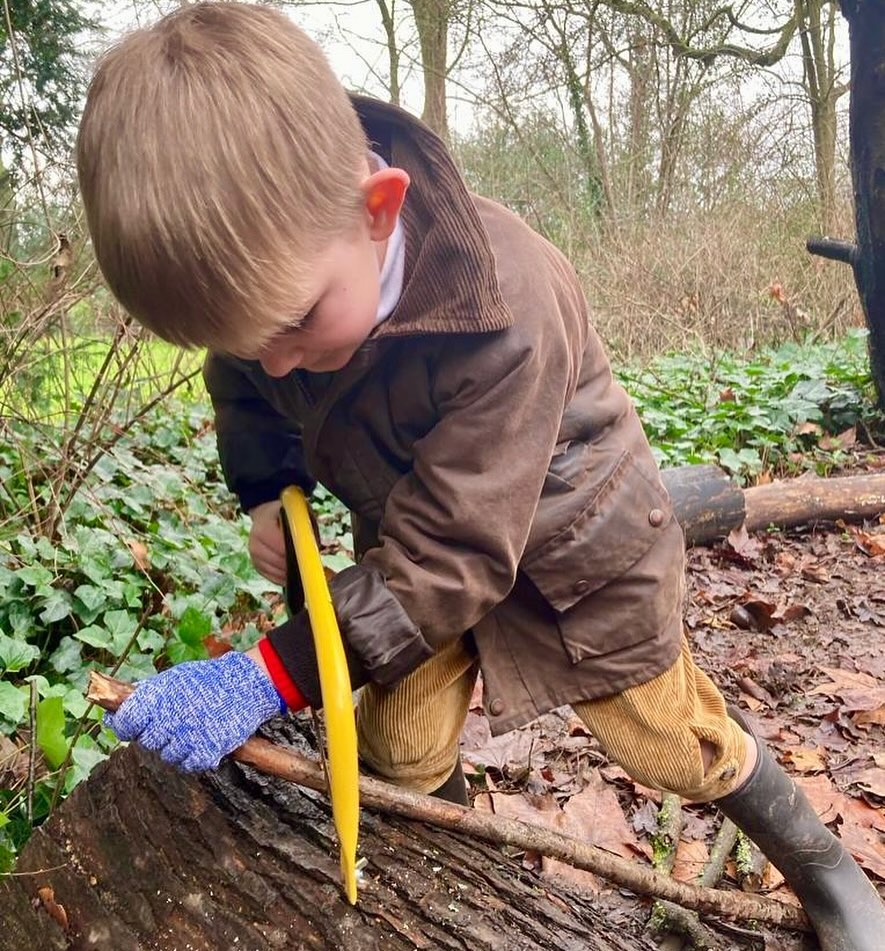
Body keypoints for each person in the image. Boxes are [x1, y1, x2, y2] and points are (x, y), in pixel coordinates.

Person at [76, 4, 883, 947]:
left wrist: (268, 673)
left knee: (670, 744)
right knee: (399, 747)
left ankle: (826, 870)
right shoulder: (279, 293)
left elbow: (459, 548)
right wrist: (264, 487)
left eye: (292, 328)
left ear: (377, 209)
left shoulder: (508, 305)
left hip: (575, 551)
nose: (277, 362)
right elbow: (248, 390)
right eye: (244, 343)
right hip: (415, 549)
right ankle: (467, 865)